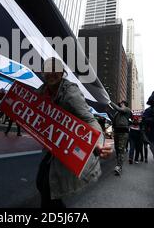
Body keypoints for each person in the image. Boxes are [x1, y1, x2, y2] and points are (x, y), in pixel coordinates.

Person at [35, 57, 113, 208]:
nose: (51, 73)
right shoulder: (41, 90)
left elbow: (90, 120)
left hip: (67, 144)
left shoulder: (71, 93)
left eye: (55, 70)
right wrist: (5, 98)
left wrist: (96, 143)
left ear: (62, 72)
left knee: (48, 188)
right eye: (48, 70)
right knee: (43, 184)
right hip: (50, 144)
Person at [107, 100, 131, 176]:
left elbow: (119, 109)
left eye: (122, 103)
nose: (121, 104)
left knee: (121, 149)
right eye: (120, 103)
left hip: (123, 132)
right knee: (117, 148)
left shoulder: (127, 109)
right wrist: (107, 112)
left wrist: (109, 102)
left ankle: (119, 166)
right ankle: (118, 163)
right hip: (117, 132)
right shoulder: (117, 113)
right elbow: (113, 119)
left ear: (125, 104)